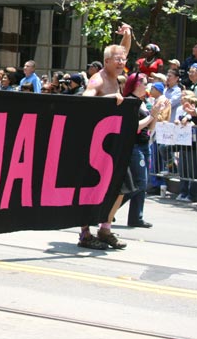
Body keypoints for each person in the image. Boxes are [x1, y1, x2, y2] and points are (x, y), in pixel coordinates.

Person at [77, 22, 133, 250]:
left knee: (122, 187)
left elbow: (123, 50)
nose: (122, 62)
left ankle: (105, 229)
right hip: (95, 145)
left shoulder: (116, 71)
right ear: (107, 61)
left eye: (124, 59)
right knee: (90, 189)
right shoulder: (98, 79)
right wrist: (107, 99)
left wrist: (128, 35)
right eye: (117, 60)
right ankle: (85, 234)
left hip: (114, 144)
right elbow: (84, 99)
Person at [120, 73, 167, 228]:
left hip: (144, 144)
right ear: (136, 84)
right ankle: (109, 211)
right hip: (134, 146)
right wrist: (152, 115)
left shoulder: (143, 102)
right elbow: (134, 127)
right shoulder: (130, 102)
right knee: (140, 182)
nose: (147, 87)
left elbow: (149, 127)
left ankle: (136, 217)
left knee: (142, 183)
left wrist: (155, 113)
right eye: (145, 83)